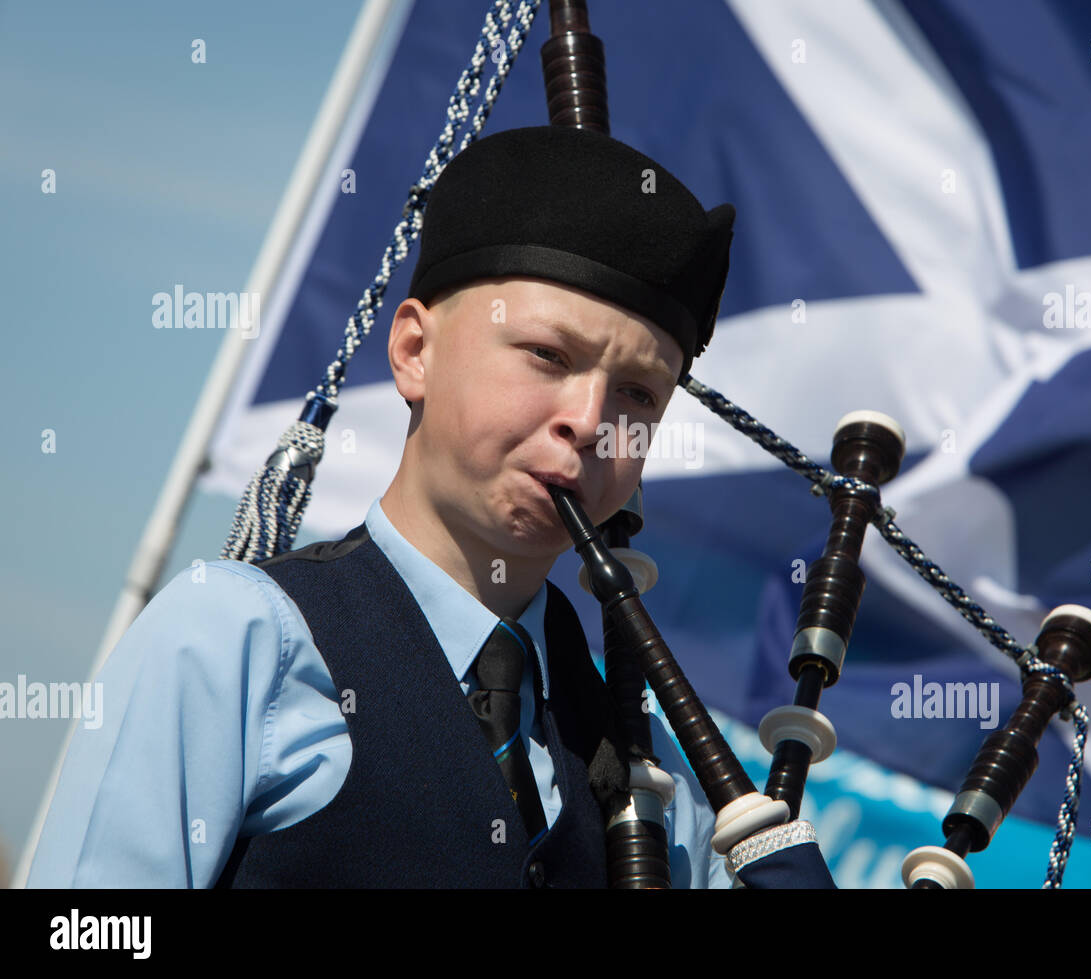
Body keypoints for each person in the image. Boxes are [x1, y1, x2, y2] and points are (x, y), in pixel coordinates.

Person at [25, 125, 738, 888]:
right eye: (547, 355)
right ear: (413, 352)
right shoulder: (237, 642)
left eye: (637, 394)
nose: (591, 420)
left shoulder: (655, 777)